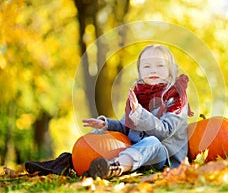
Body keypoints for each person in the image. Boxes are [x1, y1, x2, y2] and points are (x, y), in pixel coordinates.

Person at [25, 44, 193, 179]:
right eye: (147, 66)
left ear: (170, 70)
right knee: (99, 137)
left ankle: (114, 167)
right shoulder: (138, 96)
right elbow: (125, 128)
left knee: (152, 143)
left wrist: (141, 114)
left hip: (162, 155)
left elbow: (165, 132)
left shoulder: (176, 99)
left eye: (160, 65)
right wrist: (106, 124)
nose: (153, 70)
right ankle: (65, 164)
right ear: (140, 71)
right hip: (133, 150)